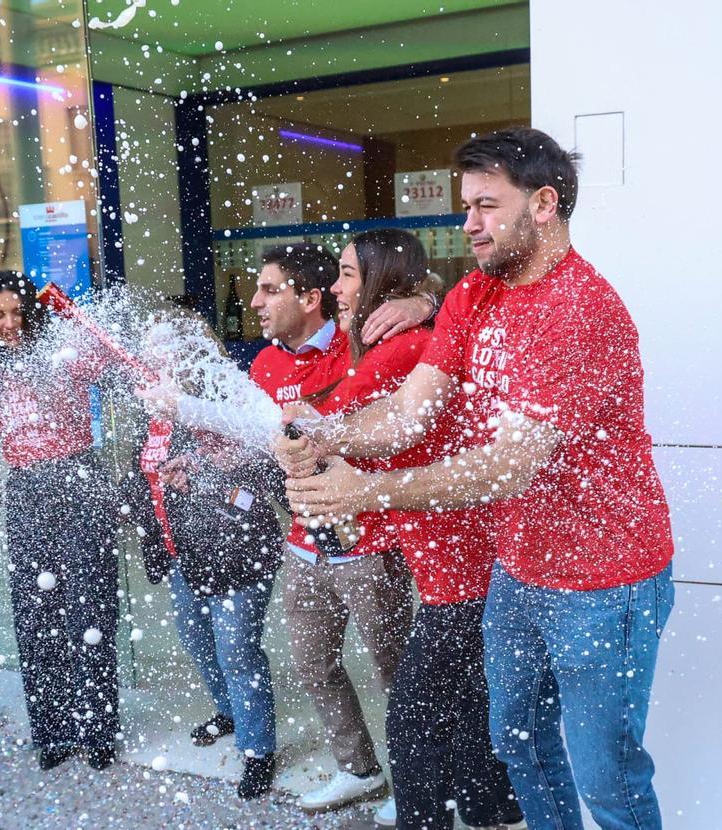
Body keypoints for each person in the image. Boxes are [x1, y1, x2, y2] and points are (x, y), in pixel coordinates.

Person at [279, 127, 673, 830]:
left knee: (605, 773)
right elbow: (408, 413)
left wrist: (366, 491)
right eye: (468, 206)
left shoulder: (577, 310)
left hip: (604, 582)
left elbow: (508, 465)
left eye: (487, 206)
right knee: (518, 748)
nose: (470, 224)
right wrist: (324, 433)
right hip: (517, 573)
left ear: (544, 203)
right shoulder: (474, 294)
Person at [278, 229, 523, 830]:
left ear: (383, 281)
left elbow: (321, 425)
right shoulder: (413, 333)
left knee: (414, 715)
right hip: (449, 563)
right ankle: (490, 807)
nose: (336, 288)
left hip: (458, 567)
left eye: (348, 275)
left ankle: (442, 810)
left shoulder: (399, 350)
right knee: (463, 706)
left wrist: (282, 429)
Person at [247, 243, 430, 814]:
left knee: (395, 669)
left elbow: (456, 327)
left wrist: (427, 299)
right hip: (305, 543)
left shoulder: (358, 346)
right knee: (311, 663)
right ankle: (359, 769)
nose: (256, 302)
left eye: (270, 289)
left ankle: (418, 784)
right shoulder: (266, 364)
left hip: (369, 542)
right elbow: (266, 443)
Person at [126, 311, 282, 799]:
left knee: (237, 651)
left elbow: (266, 488)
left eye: (166, 348)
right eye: (150, 349)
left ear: (193, 352)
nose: (156, 358)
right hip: (181, 557)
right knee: (197, 642)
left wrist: (208, 482)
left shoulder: (223, 405)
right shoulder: (152, 411)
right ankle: (232, 713)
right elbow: (143, 480)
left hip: (237, 556)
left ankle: (258, 749)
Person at [0, 270, 121, 772]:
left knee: (91, 608)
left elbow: (112, 361)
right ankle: (54, 728)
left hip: (79, 479)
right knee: (38, 614)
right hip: (24, 489)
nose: (9, 323)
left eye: (17, 311)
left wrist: (74, 321)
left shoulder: (62, 350)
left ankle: (99, 726)